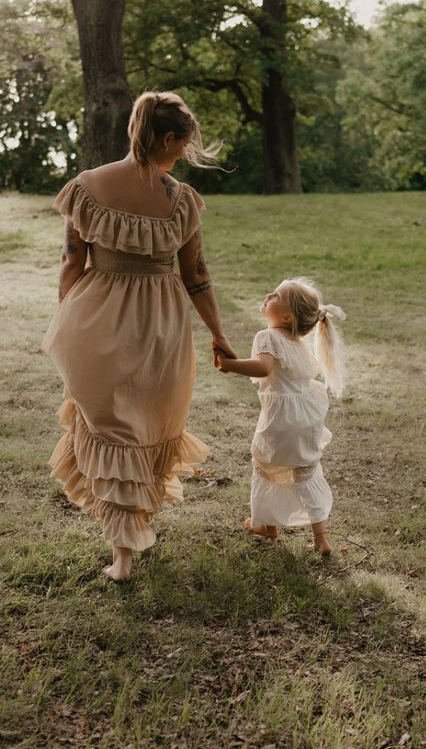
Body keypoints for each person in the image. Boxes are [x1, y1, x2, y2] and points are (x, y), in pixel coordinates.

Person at [43, 91, 236, 582]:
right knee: (143, 428)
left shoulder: (86, 187)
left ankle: (122, 555)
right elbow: (197, 276)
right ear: (167, 138)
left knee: (112, 429)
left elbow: (72, 262)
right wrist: (218, 334)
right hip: (161, 326)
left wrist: (67, 316)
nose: (182, 155)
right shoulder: (181, 201)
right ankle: (127, 548)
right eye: (182, 145)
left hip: (99, 318)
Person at [213, 277, 346, 557]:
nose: (268, 294)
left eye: (276, 295)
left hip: (280, 420)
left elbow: (262, 368)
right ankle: (321, 539)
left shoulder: (267, 336)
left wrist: (230, 365)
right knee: (306, 471)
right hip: (306, 418)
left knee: (264, 466)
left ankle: (267, 526)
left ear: (286, 316)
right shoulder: (299, 343)